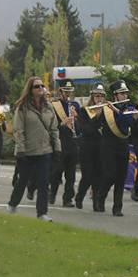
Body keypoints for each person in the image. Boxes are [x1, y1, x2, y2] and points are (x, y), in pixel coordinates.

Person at [7, 77, 61, 220]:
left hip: (45, 150)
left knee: (43, 183)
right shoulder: (23, 107)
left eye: (42, 86)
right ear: (30, 89)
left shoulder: (49, 107)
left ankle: (42, 213)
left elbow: (54, 128)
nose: (40, 88)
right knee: (22, 180)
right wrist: (21, 149)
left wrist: (57, 147)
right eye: (37, 86)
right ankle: (13, 204)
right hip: (27, 151)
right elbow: (18, 130)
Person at [95, 80, 137, 217]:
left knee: (120, 177)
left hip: (122, 146)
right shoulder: (106, 109)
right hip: (108, 147)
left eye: (125, 93)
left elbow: (126, 122)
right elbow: (94, 125)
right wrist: (98, 113)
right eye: (121, 94)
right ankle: (100, 198)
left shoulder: (130, 108)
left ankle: (117, 207)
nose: (124, 96)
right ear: (115, 96)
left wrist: (116, 110)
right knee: (110, 175)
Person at [49, 79, 80, 207]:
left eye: (70, 91)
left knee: (71, 174)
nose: (68, 94)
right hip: (60, 142)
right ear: (60, 91)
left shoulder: (75, 105)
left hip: (72, 143)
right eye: (66, 91)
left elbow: (79, 127)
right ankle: (52, 194)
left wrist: (76, 118)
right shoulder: (53, 105)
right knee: (56, 172)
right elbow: (50, 126)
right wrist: (62, 123)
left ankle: (68, 198)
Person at [74, 83, 106, 209]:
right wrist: (97, 117)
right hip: (87, 148)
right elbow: (86, 129)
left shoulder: (106, 111)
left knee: (98, 175)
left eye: (101, 96)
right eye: (97, 96)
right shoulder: (84, 110)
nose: (99, 99)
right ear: (92, 97)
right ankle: (79, 196)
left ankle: (96, 204)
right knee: (87, 175)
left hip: (100, 148)